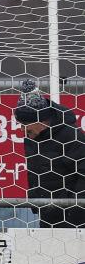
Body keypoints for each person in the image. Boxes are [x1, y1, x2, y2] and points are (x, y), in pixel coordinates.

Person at [14, 81, 85, 228]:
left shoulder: (72, 136)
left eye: (24, 124)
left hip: (74, 219)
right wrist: (37, 202)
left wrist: (74, 208)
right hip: (47, 213)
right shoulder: (32, 138)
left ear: (41, 120)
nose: (21, 129)